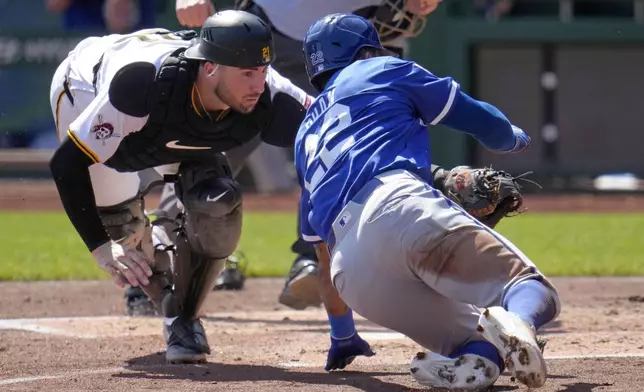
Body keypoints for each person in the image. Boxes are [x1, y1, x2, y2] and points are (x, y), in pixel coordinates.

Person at [294, 13, 561, 390]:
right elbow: (478, 119)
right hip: (395, 204)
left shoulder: (306, 133)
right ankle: (519, 322)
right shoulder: (381, 68)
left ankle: (479, 363)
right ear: (368, 49)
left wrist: (342, 334)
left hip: (351, 274)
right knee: (529, 289)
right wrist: (512, 138)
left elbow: (321, 255)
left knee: (476, 339)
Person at [49, 9, 311, 363]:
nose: (257, 84)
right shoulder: (141, 86)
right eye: (247, 73)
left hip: (173, 123)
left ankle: (182, 318)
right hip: (88, 87)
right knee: (122, 229)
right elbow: (66, 164)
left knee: (217, 201)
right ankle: (145, 255)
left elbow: (329, 132)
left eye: (263, 71)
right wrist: (100, 247)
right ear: (209, 67)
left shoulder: (270, 93)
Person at [160, 0, 443, 311]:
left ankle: (312, 260)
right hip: (270, 27)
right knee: (216, 149)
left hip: (355, 33)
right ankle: (159, 260)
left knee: (345, 145)